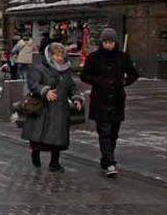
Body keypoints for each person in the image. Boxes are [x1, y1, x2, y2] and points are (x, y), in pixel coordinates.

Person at [80, 27, 139, 177]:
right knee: (104, 131)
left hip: (117, 99)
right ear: (102, 42)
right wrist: (99, 81)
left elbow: (133, 73)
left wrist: (124, 82)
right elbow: (84, 75)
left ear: (115, 42)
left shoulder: (122, 57)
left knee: (113, 132)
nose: (108, 45)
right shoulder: (94, 57)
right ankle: (110, 162)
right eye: (106, 42)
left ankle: (106, 158)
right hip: (100, 99)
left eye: (111, 42)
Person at [22, 42, 83, 172]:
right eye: (56, 55)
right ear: (50, 55)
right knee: (39, 135)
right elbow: (33, 84)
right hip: (43, 108)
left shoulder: (65, 70)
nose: (59, 58)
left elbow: (71, 87)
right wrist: (45, 91)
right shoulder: (39, 68)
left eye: (61, 55)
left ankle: (54, 162)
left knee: (58, 137)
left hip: (60, 108)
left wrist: (76, 98)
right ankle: (35, 154)